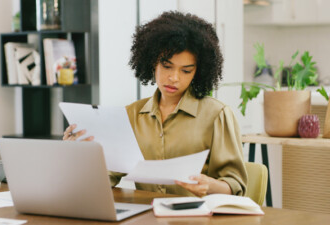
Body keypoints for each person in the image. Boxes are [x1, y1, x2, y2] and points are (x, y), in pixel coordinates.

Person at [63, 11, 247, 197]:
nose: (174, 78)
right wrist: (79, 154)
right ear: (153, 62)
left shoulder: (217, 115)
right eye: (167, 66)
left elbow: (235, 184)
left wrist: (210, 185)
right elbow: (106, 178)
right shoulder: (131, 114)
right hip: (147, 215)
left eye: (186, 71)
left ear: (197, 72)